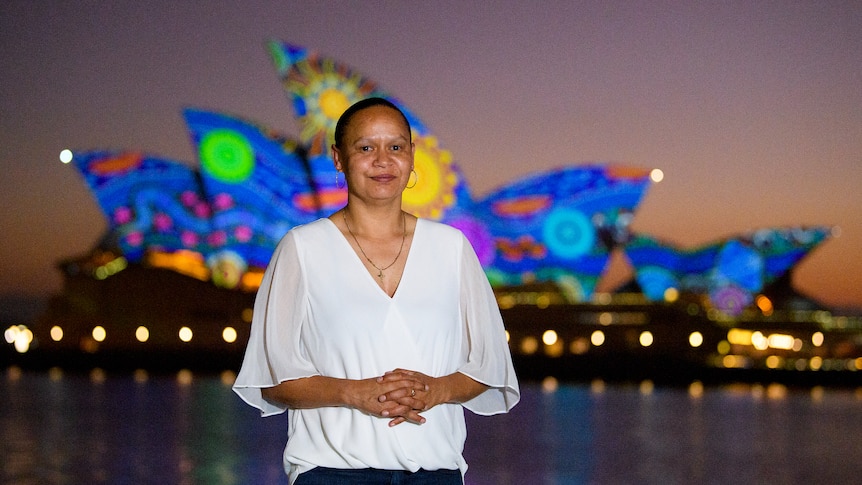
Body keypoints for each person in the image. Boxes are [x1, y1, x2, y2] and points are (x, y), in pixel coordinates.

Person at [233, 97, 520, 485]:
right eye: (366, 147)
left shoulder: (451, 248)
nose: (383, 161)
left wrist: (436, 389)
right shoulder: (302, 248)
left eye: (396, 147)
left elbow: (489, 363)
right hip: (332, 474)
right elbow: (273, 378)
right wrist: (355, 393)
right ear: (338, 158)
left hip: (435, 474)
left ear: (413, 157)